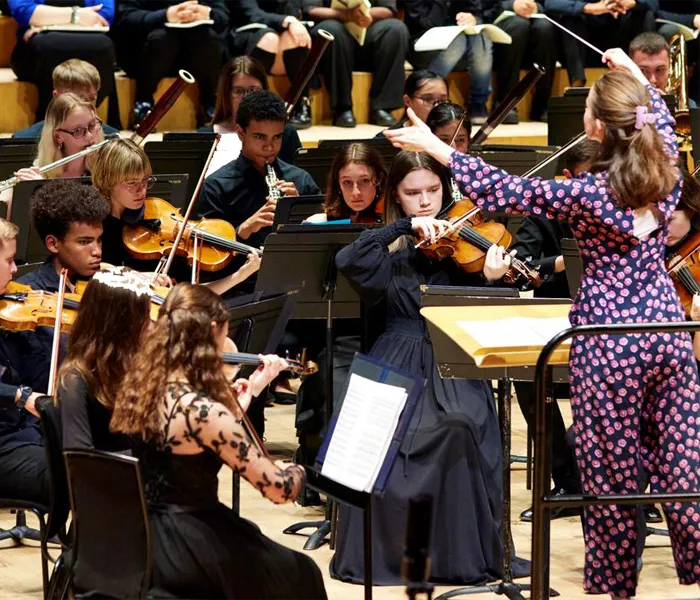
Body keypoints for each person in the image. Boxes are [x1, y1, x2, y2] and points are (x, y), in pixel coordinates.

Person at [386, 47, 700, 599]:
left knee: (611, 478)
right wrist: (627, 66)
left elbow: (507, 192)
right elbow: (659, 111)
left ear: (596, 126)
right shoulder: (668, 173)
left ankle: (618, 589)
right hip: (670, 335)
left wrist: (435, 146)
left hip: (608, 343)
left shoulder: (586, 193)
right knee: (685, 471)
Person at [332, 150, 504, 584]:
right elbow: (346, 261)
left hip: (452, 355)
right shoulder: (387, 246)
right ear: (396, 197)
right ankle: (382, 555)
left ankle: (457, 556)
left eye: (433, 190)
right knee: (380, 435)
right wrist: (401, 228)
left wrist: (489, 279)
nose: (426, 201)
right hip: (397, 356)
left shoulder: (465, 241)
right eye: (413, 194)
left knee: (463, 424)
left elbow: (482, 311)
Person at [110, 283, 328, 600]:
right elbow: (278, 490)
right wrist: (297, 471)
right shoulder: (204, 412)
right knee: (302, 572)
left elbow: (189, 442)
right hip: (190, 544)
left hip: (144, 533)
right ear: (213, 331)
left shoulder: (141, 389)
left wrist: (253, 388)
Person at [91, 138, 261, 294]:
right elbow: (86, 268)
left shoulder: (157, 224)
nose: (142, 190)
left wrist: (240, 276)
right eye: (132, 184)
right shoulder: (95, 226)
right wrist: (136, 276)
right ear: (107, 181)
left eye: (145, 181)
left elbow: (190, 295)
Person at [195, 90, 320, 288]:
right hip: (238, 288)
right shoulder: (217, 186)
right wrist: (243, 230)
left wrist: (300, 211)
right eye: (260, 137)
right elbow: (205, 255)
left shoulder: (300, 181)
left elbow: (322, 240)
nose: (269, 147)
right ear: (241, 133)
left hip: (295, 284)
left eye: (277, 137)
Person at [15, 180, 109, 394]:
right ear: (53, 244)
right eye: (85, 242)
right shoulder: (27, 297)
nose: (97, 252)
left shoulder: (105, 284)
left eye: (99, 240)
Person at [111, 0, 228, 126]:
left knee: (208, 38)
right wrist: (165, 15)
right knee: (162, 38)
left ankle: (210, 104)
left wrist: (208, 13)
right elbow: (126, 17)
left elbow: (223, 17)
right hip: (148, 50)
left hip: (194, 51)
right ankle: (143, 102)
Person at [0, 218, 51, 506]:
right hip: (3, 445)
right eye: (8, 260)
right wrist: (21, 396)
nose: (16, 269)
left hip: (27, 431)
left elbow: (39, 378)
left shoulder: (11, 312)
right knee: (71, 474)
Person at [7, 0, 117, 126]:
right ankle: (50, 118)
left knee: (103, 46)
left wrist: (45, 20)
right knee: (48, 45)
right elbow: (23, 11)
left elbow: (105, 15)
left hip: (87, 36)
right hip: (35, 47)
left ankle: (88, 117)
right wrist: (77, 15)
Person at [303, 0, 409, 128]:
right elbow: (309, 9)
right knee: (331, 29)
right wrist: (345, 15)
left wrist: (364, 14)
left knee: (396, 29)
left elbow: (388, 10)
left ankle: (383, 107)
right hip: (335, 38)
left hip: (369, 32)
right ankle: (342, 109)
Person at [1, 93, 105, 209]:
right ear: (57, 136)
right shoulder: (39, 174)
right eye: (78, 130)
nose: (89, 136)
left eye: (92, 125)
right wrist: (14, 194)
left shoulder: (106, 173)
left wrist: (43, 190)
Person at [199, 56, 301, 171]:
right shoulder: (204, 137)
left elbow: (299, 180)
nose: (247, 98)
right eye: (238, 91)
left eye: (253, 90)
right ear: (226, 95)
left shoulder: (285, 134)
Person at [228, 0, 313, 129]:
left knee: (297, 38)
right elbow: (252, 14)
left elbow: (294, 11)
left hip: (282, 40)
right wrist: (287, 20)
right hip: (249, 34)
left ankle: (301, 103)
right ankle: (249, 106)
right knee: (269, 39)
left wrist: (290, 21)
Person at [404, 0, 492, 124]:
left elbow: (479, 11)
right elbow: (427, 24)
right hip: (423, 46)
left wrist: (473, 18)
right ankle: (429, 98)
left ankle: (478, 103)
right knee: (458, 41)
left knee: (480, 36)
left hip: (461, 51)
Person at [544, 0, 656, 87]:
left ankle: (646, 84)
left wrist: (633, 3)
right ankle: (577, 88)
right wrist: (588, 8)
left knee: (645, 15)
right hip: (583, 45)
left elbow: (655, 4)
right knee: (570, 17)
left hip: (620, 39)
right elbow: (550, 3)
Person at [483, 0, 556, 123]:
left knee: (545, 28)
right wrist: (511, 5)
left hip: (534, 18)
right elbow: (483, 9)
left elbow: (550, 4)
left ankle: (543, 105)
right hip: (501, 20)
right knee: (518, 26)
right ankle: (505, 103)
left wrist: (536, 7)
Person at [13, 59, 119, 139]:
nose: (84, 107)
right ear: (56, 97)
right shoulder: (23, 140)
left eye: (90, 99)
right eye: (75, 100)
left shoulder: (112, 138)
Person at [305, 142, 386, 223]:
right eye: (347, 182)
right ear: (338, 184)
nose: (356, 193)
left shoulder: (393, 221)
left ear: (379, 179)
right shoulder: (317, 223)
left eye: (365, 181)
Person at [375, 70, 449, 138]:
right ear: (408, 101)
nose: (437, 106)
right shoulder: (387, 139)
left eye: (442, 101)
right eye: (428, 99)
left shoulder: (455, 135)